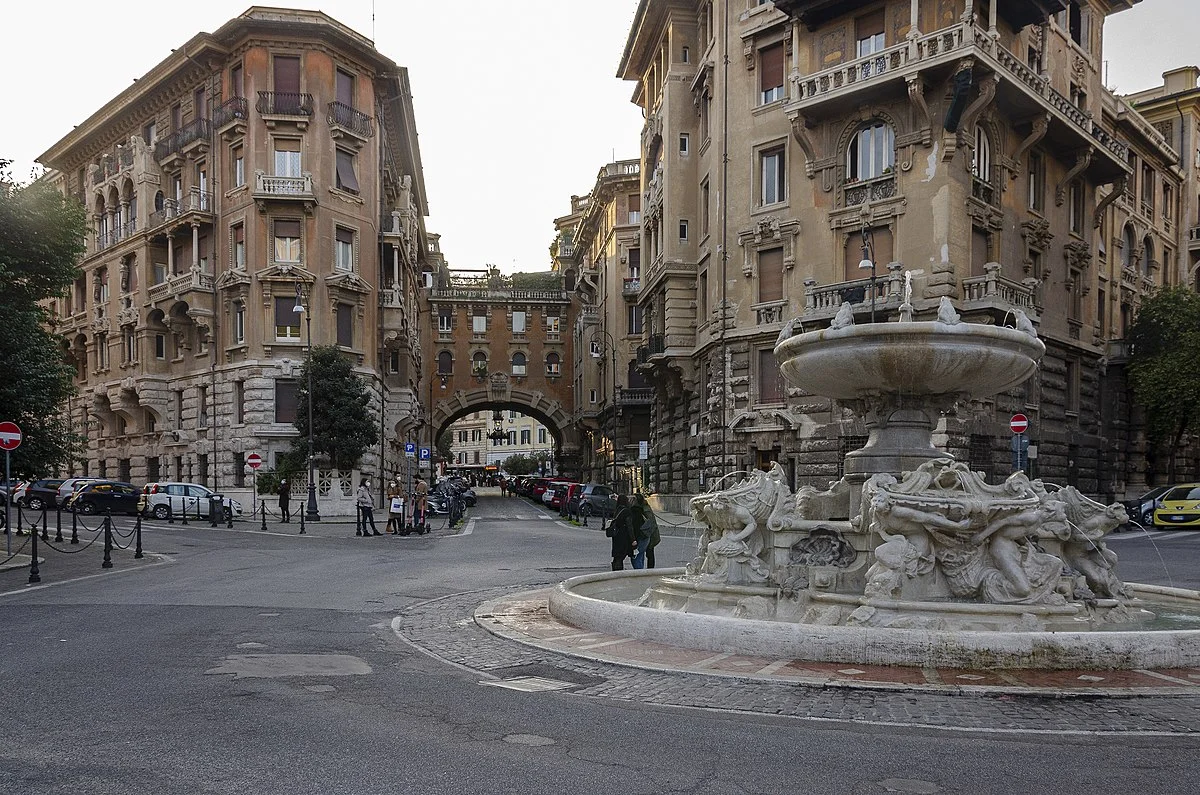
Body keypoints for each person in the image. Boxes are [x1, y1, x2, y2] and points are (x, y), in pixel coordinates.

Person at [606, 494, 638, 571]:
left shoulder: (617, 510)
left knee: (617, 556)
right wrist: (633, 539)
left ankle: (615, 570)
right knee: (621, 556)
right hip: (624, 536)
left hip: (616, 535)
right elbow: (629, 526)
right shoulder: (627, 511)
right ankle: (618, 572)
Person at [633, 494, 661, 569]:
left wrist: (644, 533)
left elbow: (650, 523)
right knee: (647, 553)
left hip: (649, 534)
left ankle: (650, 570)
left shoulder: (645, 509)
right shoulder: (643, 507)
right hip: (647, 534)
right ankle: (648, 570)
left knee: (649, 553)